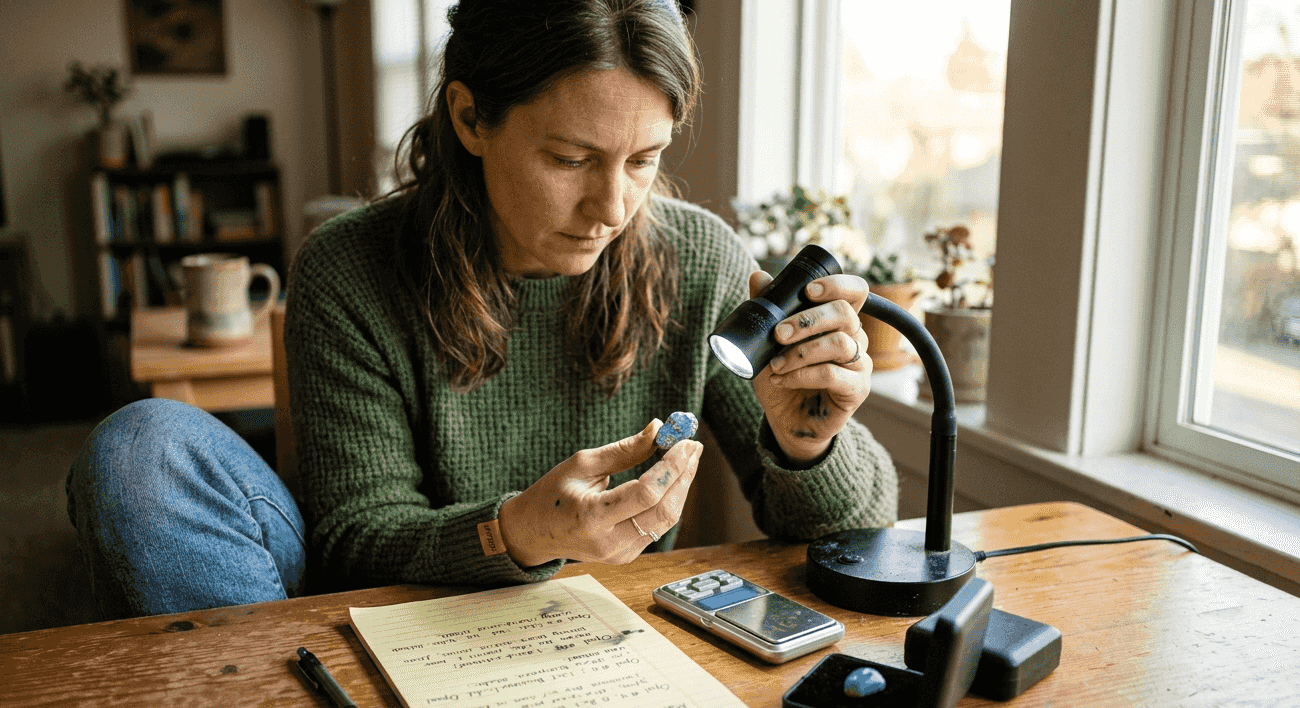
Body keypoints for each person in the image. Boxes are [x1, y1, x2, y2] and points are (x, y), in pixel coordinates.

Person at [67, 0, 898, 619]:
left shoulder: (700, 256)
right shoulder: (351, 267)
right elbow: (355, 539)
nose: (612, 206)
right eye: (570, 158)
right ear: (470, 117)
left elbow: (857, 537)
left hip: (604, 636)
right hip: (397, 619)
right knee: (143, 450)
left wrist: (809, 438)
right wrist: (519, 533)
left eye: (643, 159)